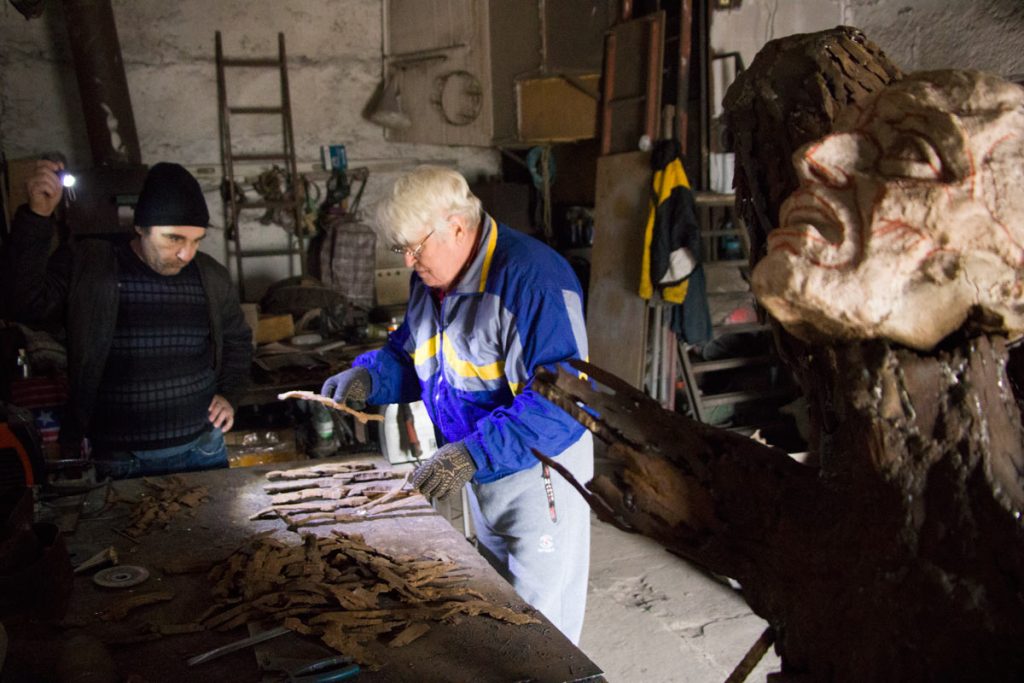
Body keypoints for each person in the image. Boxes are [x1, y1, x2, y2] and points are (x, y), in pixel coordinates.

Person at [321, 165, 594, 644]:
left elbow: (564, 400)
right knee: (499, 608)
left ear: (457, 226)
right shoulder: (434, 280)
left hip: (540, 473)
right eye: (400, 248)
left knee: (542, 631)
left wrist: (471, 455)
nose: (407, 261)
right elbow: (413, 354)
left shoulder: (533, 280)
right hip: (480, 468)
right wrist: (369, 376)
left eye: (415, 247)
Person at [2, 160, 252, 479]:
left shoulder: (210, 275)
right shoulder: (90, 265)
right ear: (140, 227)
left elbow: (237, 340)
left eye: (196, 240)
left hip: (203, 450)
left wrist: (230, 394)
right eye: (173, 239)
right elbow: (22, 304)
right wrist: (37, 217)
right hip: (120, 460)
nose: (186, 254)